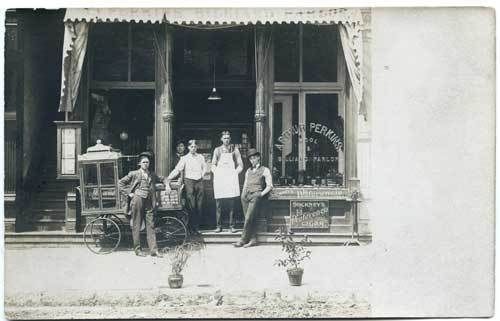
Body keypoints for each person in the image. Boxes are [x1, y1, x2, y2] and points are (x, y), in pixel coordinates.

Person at [118, 152, 166, 256]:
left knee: (151, 225)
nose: (146, 164)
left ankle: (154, 250)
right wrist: (129, 193)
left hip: (149, 201)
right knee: (137, 224)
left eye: (147, 162)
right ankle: (138, 250)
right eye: (144, 162)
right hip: (138, 199)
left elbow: (163, 179)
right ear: (139, 164)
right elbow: (120, 183)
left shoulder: (152, 174)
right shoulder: (134, 173)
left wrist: (168, 184)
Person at [165, 139, 207, 236]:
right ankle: (191, 229)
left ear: (197, 147)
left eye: (195, 146)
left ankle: (196, 228)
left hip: (199, 181)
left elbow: (205, 167)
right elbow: (177, 169)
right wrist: (169, 178)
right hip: (189, 182)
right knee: (191, 205)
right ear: (188, 147)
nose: (193, 148)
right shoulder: (184, 158)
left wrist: (202, 174)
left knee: (199, 206)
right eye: (191, 146)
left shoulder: (200, 157)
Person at [234, 148, 273, 248]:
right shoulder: (248, 171)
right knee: (250, 219)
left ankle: (243, 239)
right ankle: (253, 239)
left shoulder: (265, 170)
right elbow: (246, 183)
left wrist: (260, 194)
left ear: (258, 158)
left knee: (247, 219)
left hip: (256, 196)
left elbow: (270, 186)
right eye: (251, 159)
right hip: (246, 196)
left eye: (254, 158)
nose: (252, 160)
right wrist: (243, 196)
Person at [211, 131, 243, 233]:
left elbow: (241, 165)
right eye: (224, 138)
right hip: (220, 179)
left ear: (230, 139)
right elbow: (213, 165)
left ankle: (232, 226)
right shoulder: (217, 150)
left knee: (232, 204)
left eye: (228, 138)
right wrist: (217, 173)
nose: (227, 140)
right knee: (219, 204)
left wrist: (235, 173)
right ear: (221, 139)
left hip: (231, 179)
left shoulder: (235, 150)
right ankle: (218, 226)